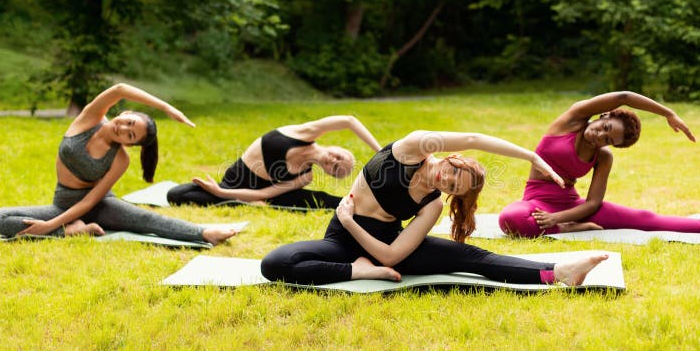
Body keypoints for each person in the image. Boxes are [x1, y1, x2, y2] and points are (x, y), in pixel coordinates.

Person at [261, 130, 609, 286]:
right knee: (274, 263)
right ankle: (359, 273)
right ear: (453, 159)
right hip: (340, 242)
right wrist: (530, 156)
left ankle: (557, 272)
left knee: (471, 258)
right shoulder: (411, 148)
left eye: (453, 188)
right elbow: (474, 139)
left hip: (376, 242)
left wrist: (352, 223)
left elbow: (393, 255)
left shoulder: (432, 205)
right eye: (452, 173)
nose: (446, 181)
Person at [0, 83, 238, 245]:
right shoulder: (89, 118)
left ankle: (204, 233)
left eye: (131, 135)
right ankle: (72, 231)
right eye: (129, 123)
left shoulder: (120, 159)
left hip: (100, 206)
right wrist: (165, 107)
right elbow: (119, 89)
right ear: (125, 113)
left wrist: (49, 227)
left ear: (129, 144)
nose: (124, 129)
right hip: (63, 203)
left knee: (145, 219)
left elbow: (90, 201)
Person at [498, 91, 700, 240]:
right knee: (510, 219)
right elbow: (623, 96)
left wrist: (557, 218)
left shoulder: (603, 157)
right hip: (537, 201)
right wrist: (668, 113)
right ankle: (569, 230)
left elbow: (592, 204)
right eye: (604, 127)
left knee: (645, 219)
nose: (600, 135)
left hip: (572, 207)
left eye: (608, 139)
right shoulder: (572, 120)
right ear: (603, 115)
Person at [167, 115, 382, 210]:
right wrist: (380, 152)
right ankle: (234, 200)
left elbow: (264, 195)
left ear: (329, 173)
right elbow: (349, 121)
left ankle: (362, 204)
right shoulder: (303, 132)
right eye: (339, 157)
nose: (333, 161)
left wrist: (223, 196)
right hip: (234, 183)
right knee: (176, 195)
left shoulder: (305, 176)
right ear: (336, 147)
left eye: (335, 168)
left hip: (252, 194)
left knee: (320, 200)